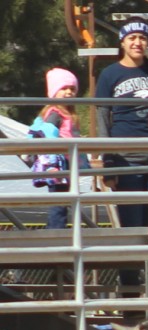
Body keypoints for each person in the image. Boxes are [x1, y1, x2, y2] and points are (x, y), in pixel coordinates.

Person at [95, 17, 148, 230]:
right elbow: (102, 118)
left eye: (142, 38)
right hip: (126, 160)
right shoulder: (110, 74)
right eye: (132, 38)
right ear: (122, 42)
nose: (137, 42)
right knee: (133, 224)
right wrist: (108, 163)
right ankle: (132, 265)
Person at [39, 68, 81, 229]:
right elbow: (48, 136)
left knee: (63, 201)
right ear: (54, 92)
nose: (69, 92)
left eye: (72, 89)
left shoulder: (69, 115)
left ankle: (54, 231)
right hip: (58, 164)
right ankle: (55, 232)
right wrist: (52, 163)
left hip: (68, 163)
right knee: (59, 203)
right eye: (64, 89)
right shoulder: (55, 113)